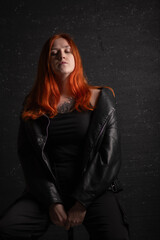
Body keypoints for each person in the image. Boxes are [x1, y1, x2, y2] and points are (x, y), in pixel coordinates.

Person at [0, 33, 130, 240]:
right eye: (54, 53)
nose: (62, 55)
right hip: (48, 192)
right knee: (6, 227)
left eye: (67, 51)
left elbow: (110, 156)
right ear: (47, 63)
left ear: (76, 58)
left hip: (92, 191)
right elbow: (30, 160)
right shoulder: (33, 105)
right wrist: (53, 202)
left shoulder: (101, 97)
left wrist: (82, 202)